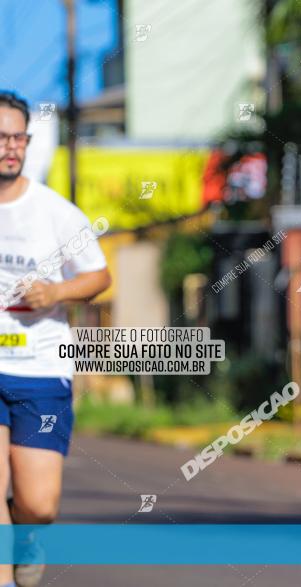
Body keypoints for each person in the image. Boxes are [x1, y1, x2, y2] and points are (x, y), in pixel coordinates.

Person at [0, 91, 111, 586]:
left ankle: (29, 536)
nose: (10, 147)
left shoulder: (55, 212)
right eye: (0, 137)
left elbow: (98, 276)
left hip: (40, 371)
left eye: (17, 137)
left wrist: (55, 291)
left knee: (38, 505)